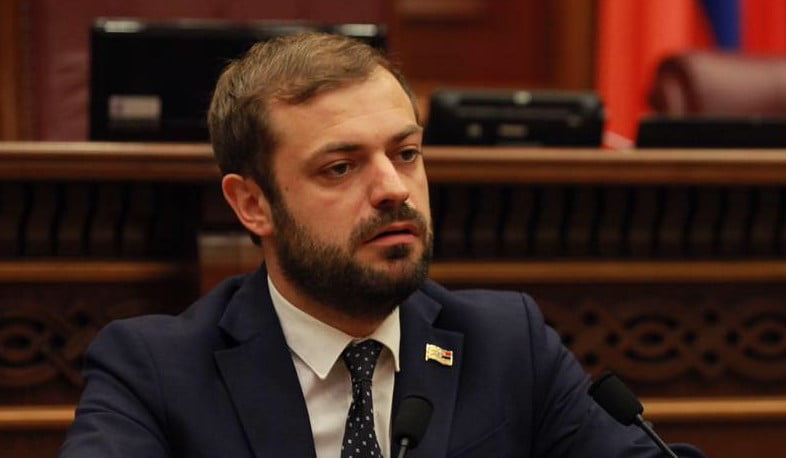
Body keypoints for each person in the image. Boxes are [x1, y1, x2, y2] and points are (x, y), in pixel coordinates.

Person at [59, 32, 703, 458]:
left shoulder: (508, 343)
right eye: (340, 167)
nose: (393, 189)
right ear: (252, 204)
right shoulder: (156, 370)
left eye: (406, 153)